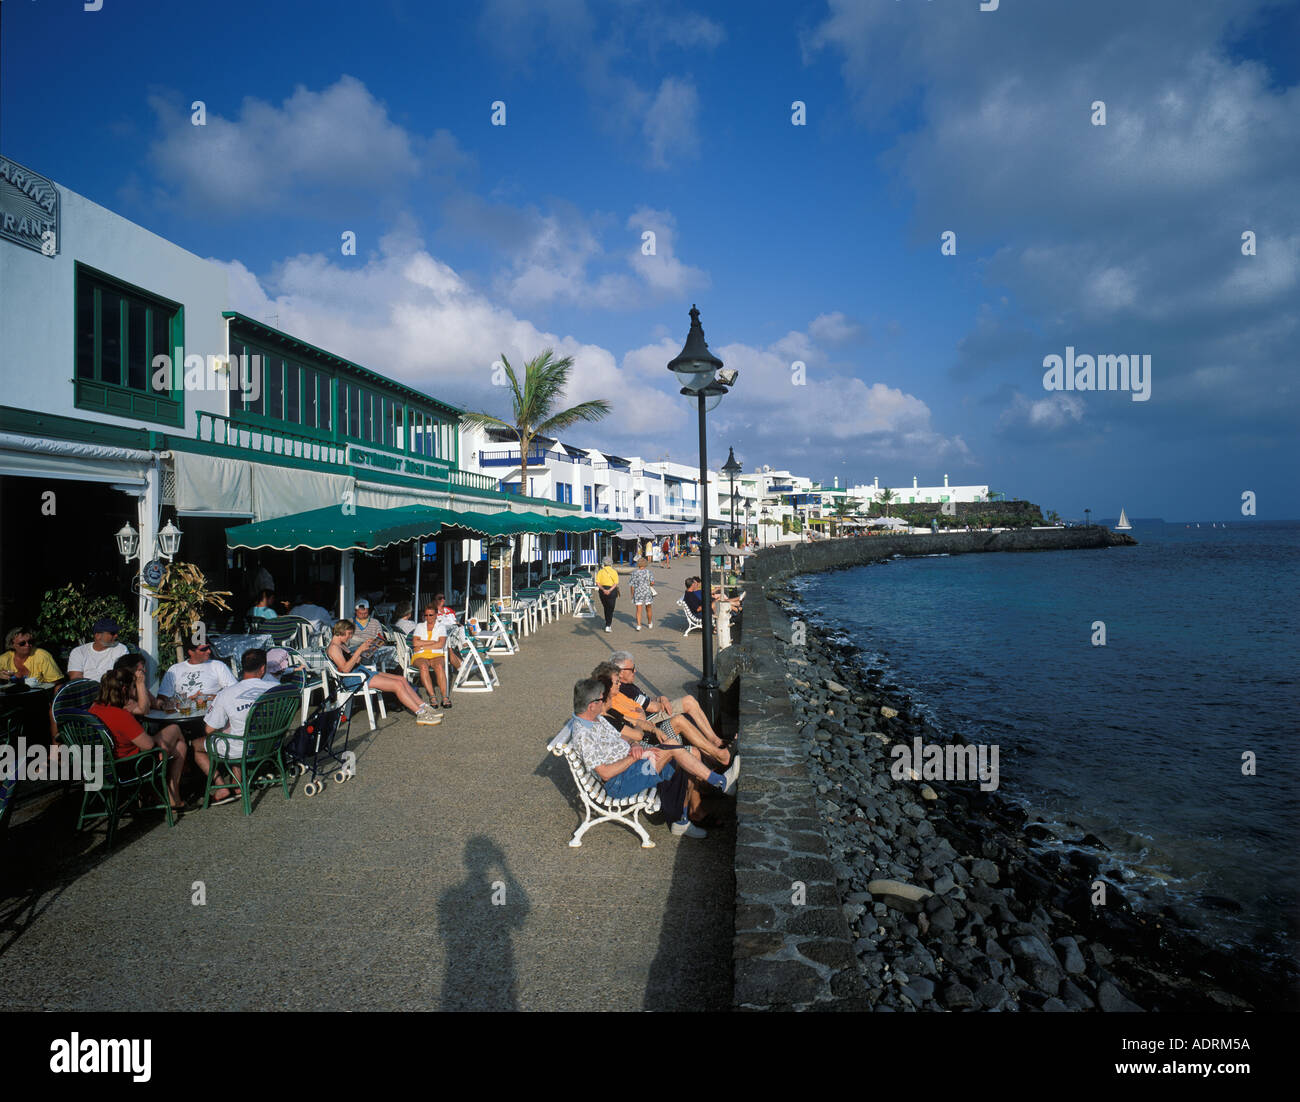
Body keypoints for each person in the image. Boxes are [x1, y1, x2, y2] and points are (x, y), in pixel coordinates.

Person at [568, 677, 737, 838]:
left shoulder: (596, 719)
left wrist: (634, 745)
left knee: (682, 751)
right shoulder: (584, 735)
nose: (604, 702)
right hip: (621, 781)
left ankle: (682, 819)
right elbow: (605, 773)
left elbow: (623, 736)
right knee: (672, 749)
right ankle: (721, 783)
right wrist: (634, 757)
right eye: (600, 699)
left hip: (631, 765)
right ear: (591, 705)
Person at [591, 662, 732, 769]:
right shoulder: (608, 709)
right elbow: (638, 727)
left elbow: (635, 718)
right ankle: (717, 757)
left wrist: (647, 714)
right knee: (681, 724)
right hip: (645, 744)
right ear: (608, 687)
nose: (619, 684)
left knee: (682, 722)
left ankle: (715, 758)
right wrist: (641, 722)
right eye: (617, 682)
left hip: (648, 733)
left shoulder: (615, 701)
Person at [89, 667, 188, 812]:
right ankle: (172, 798)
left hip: (98, 767)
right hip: (126, 767)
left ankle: (160, 796)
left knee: (177, 746)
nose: (134, 692)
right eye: (133, 688)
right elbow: (147, 745)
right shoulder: (121, 715)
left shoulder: (94, 709)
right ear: (124, 689)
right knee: (175, 732)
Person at [191, 648, 280, 805]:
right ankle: (238, 785)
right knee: (234, 731)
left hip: (243, 747)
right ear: (263, 668)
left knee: (197, 745)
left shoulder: (227, 694)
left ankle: (222, 787)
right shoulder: (275, 689)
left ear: (241, 667)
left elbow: (209, 730)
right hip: (271, 744)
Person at [607, 650, 731, 750]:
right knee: (688, 701)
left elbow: (646, 701)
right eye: (632, 669)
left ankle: (714, 739)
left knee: (689, 702)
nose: (635, 671)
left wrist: (661, 698)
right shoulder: (623, 689)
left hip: (650, 713)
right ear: (620, 672)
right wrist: (663, 703)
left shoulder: (627, 685)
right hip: (650, 718)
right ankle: (714, 740)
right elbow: (652, 707)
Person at [328, 620, 441, 725]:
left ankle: (423, 705)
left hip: (360, 671)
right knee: (397, 685)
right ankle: (420, 713)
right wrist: (358, 651)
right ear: (341, 631)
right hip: (353, 678)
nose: (350, 636)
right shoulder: (334, 648)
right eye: (349, 633)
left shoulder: (341, 645)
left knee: (401, 679)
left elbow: (353, 662)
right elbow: (345, 669)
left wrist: (367, 650)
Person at [411, 597, 462, 708]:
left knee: (439, 666)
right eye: (426, 615)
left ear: (436, 615)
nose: (428, 618)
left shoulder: (441, 627)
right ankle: (432, 697)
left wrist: (423, 644)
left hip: (436, 653)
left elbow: (440, 644)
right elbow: (415, 643)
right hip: (420, 655)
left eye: (431, 615)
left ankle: (445, 697)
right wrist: (432, 642)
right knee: (423, 667)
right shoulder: (420, 626)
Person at [158, 640, 237, 709]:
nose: (209, 651)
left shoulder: (217, 665)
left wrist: (212, 697)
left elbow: (234, 690)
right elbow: (162, 698)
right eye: (204, 649)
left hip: (212, 713)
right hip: (184, 713)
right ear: (191, 652)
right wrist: (187, 700)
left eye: (209, 648)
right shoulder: (175, 669)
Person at [112, 652, 155, 717]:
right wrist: (140, 684)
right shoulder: (119, 690)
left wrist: (163, 705)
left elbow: (153, 701)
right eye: (140, 669)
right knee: (174, 727)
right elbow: (144, 710)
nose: (144, 671)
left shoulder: (134, 687)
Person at [628, 557, 655, 631]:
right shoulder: (648, 572)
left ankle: (639, 625)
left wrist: (632, 594)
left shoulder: (634, 573)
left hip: (638, 592)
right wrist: (649, 585)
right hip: (647, 592)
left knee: (638, 610)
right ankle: (649, 623)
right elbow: (652, 583)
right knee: (648, 608)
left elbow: (632, 585)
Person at [594, 556, 619, 633]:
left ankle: (607, 622)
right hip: (612, 590)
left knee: (606, 606)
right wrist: (610, 590)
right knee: (611, 608)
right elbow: (616, 583)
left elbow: (597, 583)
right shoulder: (614, 571)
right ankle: (608, 624)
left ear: (603, 563)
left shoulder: (600, 572)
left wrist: (604, 590)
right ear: (611, 563)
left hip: (602, 590)